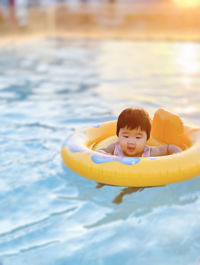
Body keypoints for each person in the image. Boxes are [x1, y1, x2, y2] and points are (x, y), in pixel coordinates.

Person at [97, 107, 182, 157]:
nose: (131, 142)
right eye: (126, 136)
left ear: (147, 139)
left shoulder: (149, 152)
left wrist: (177, 154)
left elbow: (168, 148)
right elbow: (100, 152)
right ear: (118, 135)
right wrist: (104, 155)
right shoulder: (115, 147)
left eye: (138, 137)